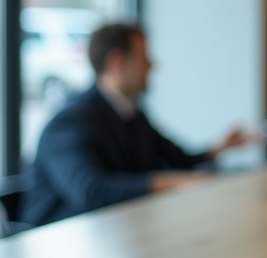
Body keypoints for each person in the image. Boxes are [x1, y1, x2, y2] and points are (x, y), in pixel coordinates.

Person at [22, 22, 253, 227]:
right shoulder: (70, 122)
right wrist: (173, 183)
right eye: (143, 56)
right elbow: (90, 191)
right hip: (61, 247)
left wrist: (218, 148)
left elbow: (178, 159)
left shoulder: (132, 115)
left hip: (115, 233)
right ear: (118, 62)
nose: (152, 65)